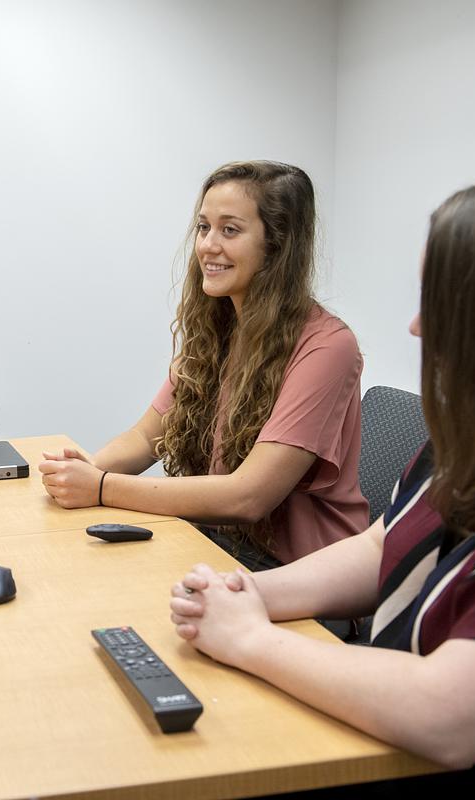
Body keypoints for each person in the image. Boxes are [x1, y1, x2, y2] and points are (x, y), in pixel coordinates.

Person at [169, 169, 475, 797]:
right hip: (378, 727)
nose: (417, 328)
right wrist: (253, 593)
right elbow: (383, 547)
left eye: (442, 301)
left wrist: (250, 638)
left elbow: (449, 716)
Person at [40, 161, 367, 568]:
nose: (208, 245)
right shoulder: (217, 329)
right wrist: (83, 470)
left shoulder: (329, 348)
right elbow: (145, 439)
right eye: (203, 227)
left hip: (297, 573)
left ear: (278, 244)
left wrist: (102, 487)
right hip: (215, 545)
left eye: (229, 230)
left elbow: (249, 497)